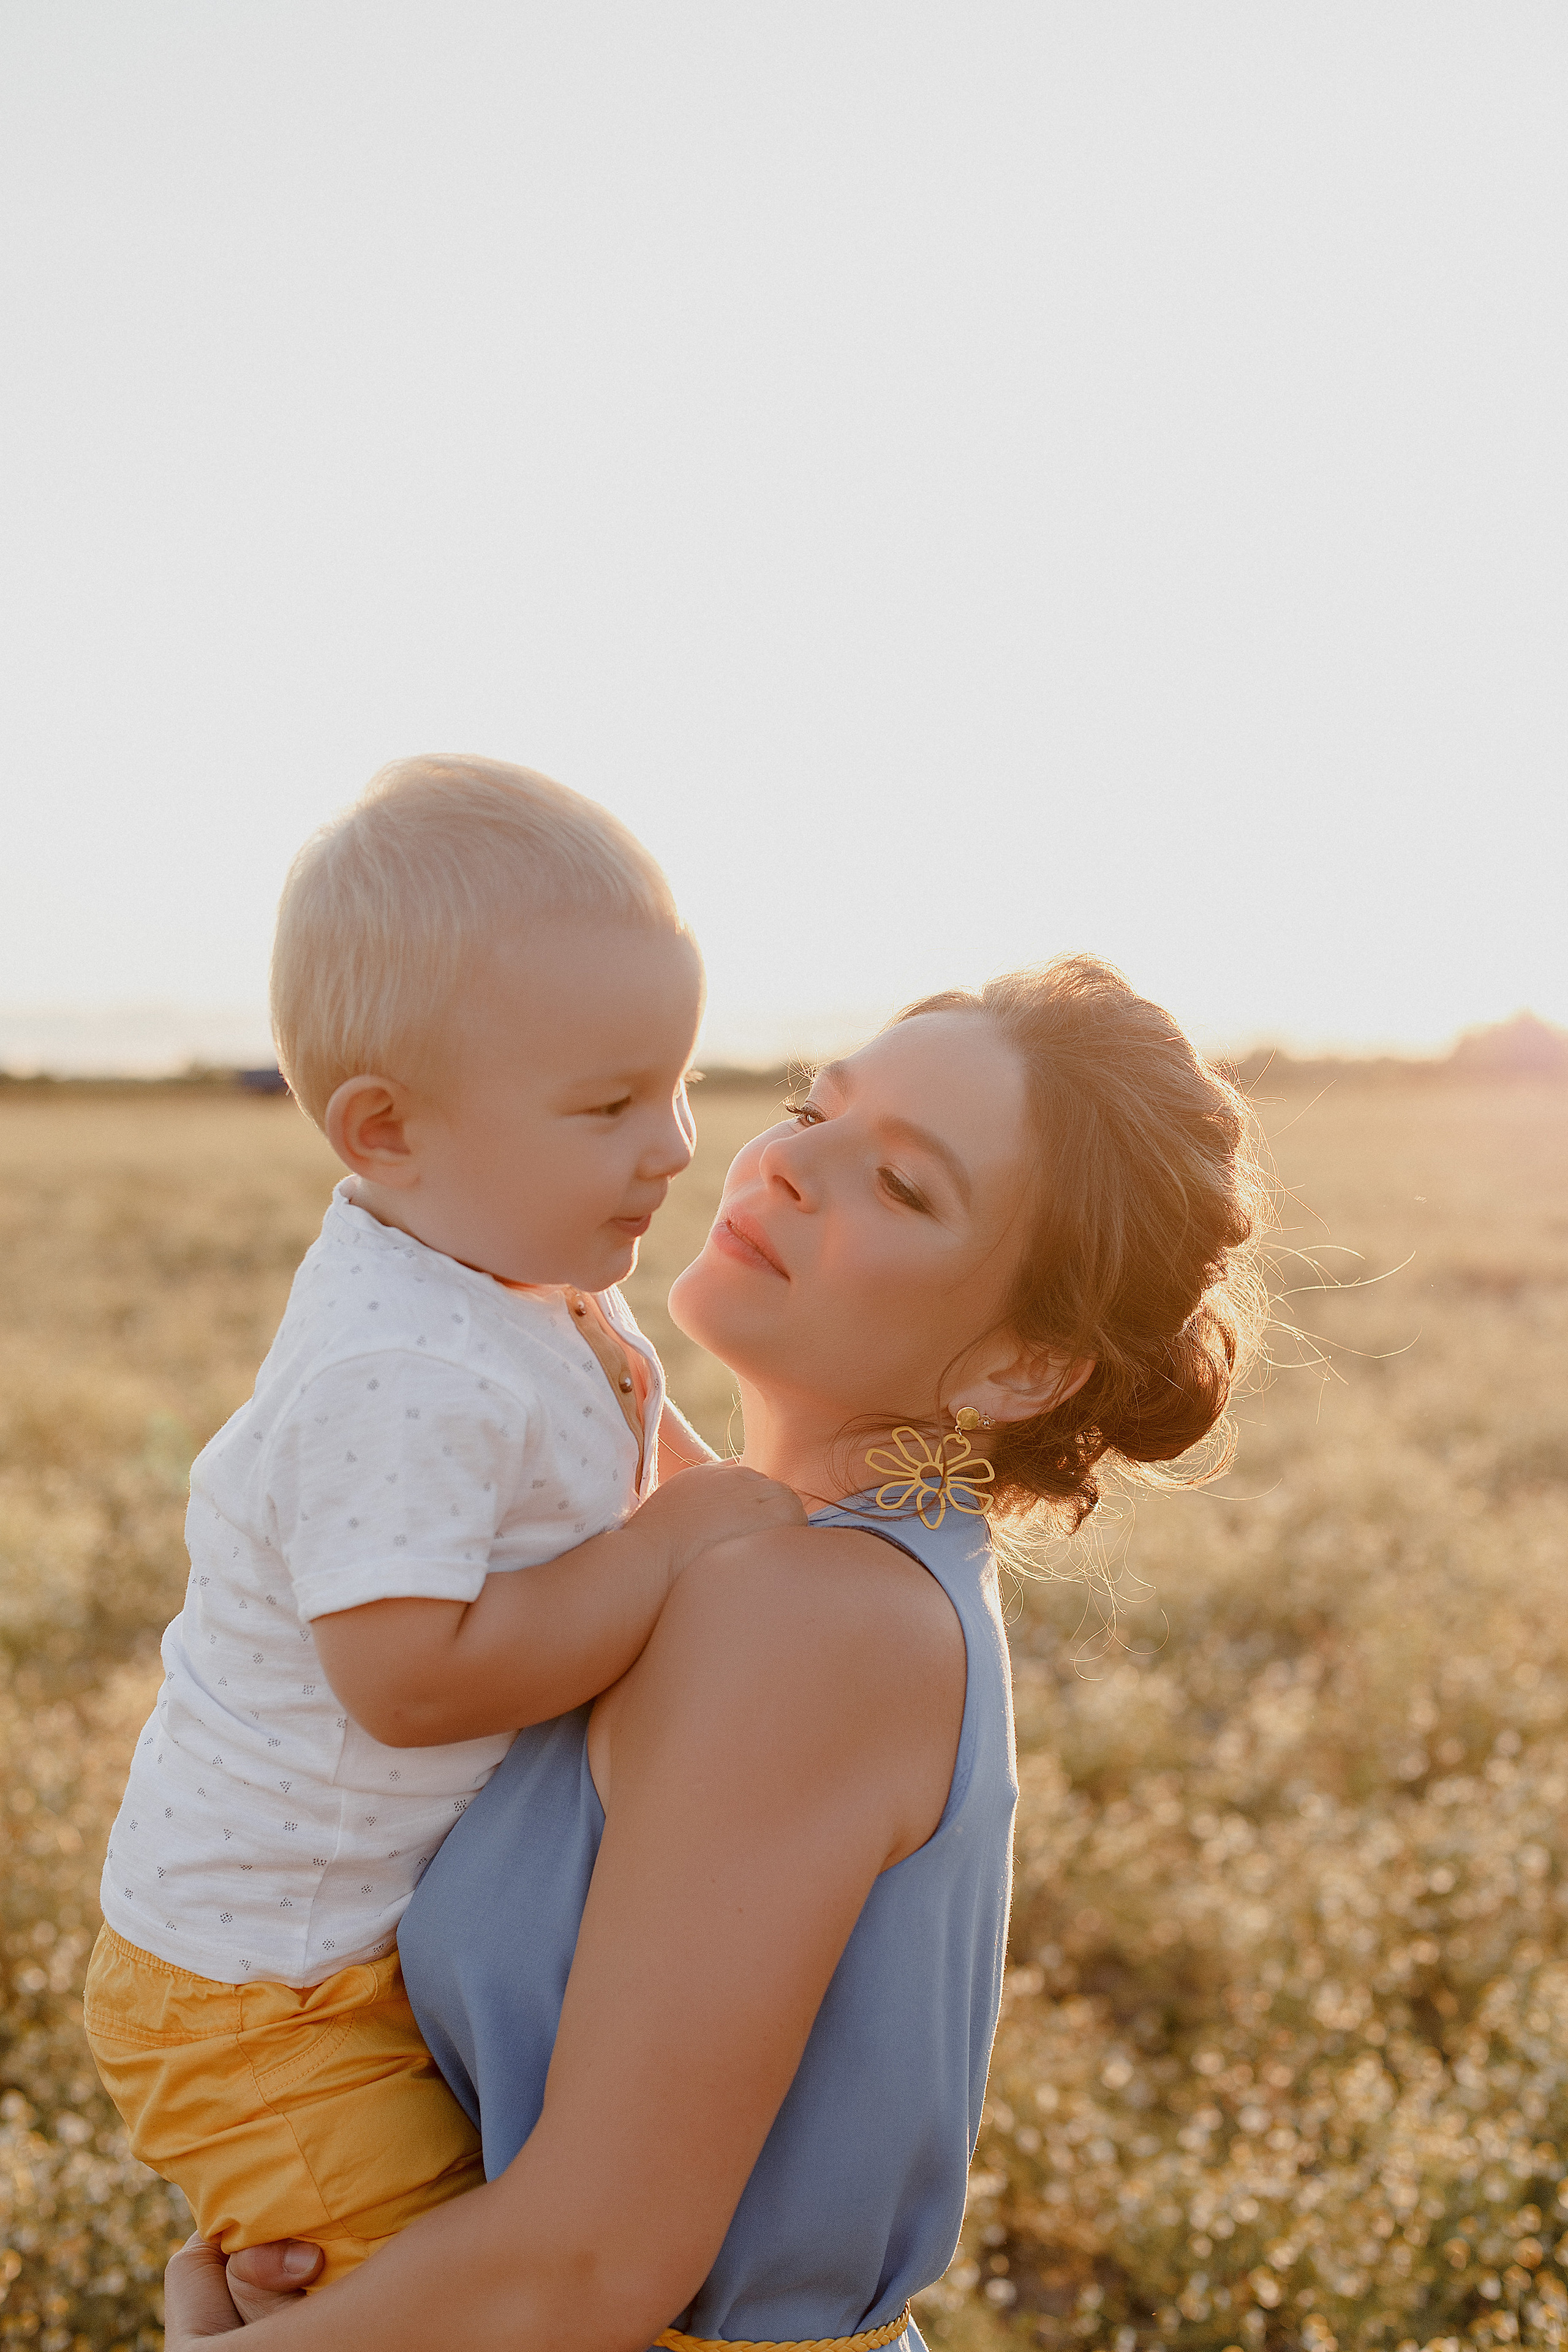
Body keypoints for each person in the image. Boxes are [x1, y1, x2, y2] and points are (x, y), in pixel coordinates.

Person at [162, 953, 1267, 2352]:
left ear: (1018, 1371)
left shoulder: (808, 1619)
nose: (793, 1166)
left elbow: (589, 2269)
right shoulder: (752, 1548)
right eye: (817, 1110)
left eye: (906, 1185)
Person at [83, 756, 804, 2283]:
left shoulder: (527, 1260)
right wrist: (673, 1549)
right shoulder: (396, 1366)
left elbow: (665, 1469)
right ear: (386, 1131)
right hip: (260, 1995)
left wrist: (762, 1521)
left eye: (675, 1082)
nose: (673, 1142)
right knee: (455, 2303)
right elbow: (408, 1682)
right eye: (609, 1103)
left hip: (363, 1955)